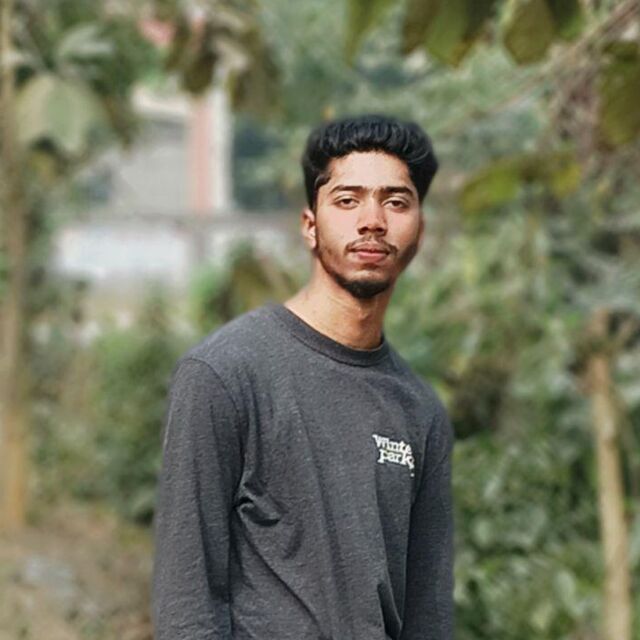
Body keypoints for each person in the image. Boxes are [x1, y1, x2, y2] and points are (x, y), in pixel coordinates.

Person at [151, 114, 455, 640]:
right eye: (347, 200)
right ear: (310, 225)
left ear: (419, 230)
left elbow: (427, 617)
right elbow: (186, 603)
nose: (372, 221)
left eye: (395, 202)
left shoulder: (419, 411)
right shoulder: (225, 374)